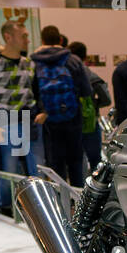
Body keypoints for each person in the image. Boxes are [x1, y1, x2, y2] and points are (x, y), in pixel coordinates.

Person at [0, 19, 42, 214]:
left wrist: (42, 111)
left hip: (30, 121)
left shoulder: (29, 63)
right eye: (23, 36)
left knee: (37, 166)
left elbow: (35, 90)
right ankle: (7, 207)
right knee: (9, 167)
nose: (27, 40)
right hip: (5, 122)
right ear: (9, 37)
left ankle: (38, 206)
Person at [30, 25, 92, 186]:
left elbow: (33, 92)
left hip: (48, 118)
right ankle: (77, 201)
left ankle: (60, 201)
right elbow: (86, 90)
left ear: (42, 40)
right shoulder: (73, 60)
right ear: (60, 40)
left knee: (55, 163)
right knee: (75, 161)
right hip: (73, 116)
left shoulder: (35, 62)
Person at [66, 41, 111, 173]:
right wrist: (94, 105)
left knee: (76, 162)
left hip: (71, 123)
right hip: (90, 123)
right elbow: (107, 99)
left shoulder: (65, 75)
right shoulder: (92, 76)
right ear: (85, 56)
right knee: (95, 160)